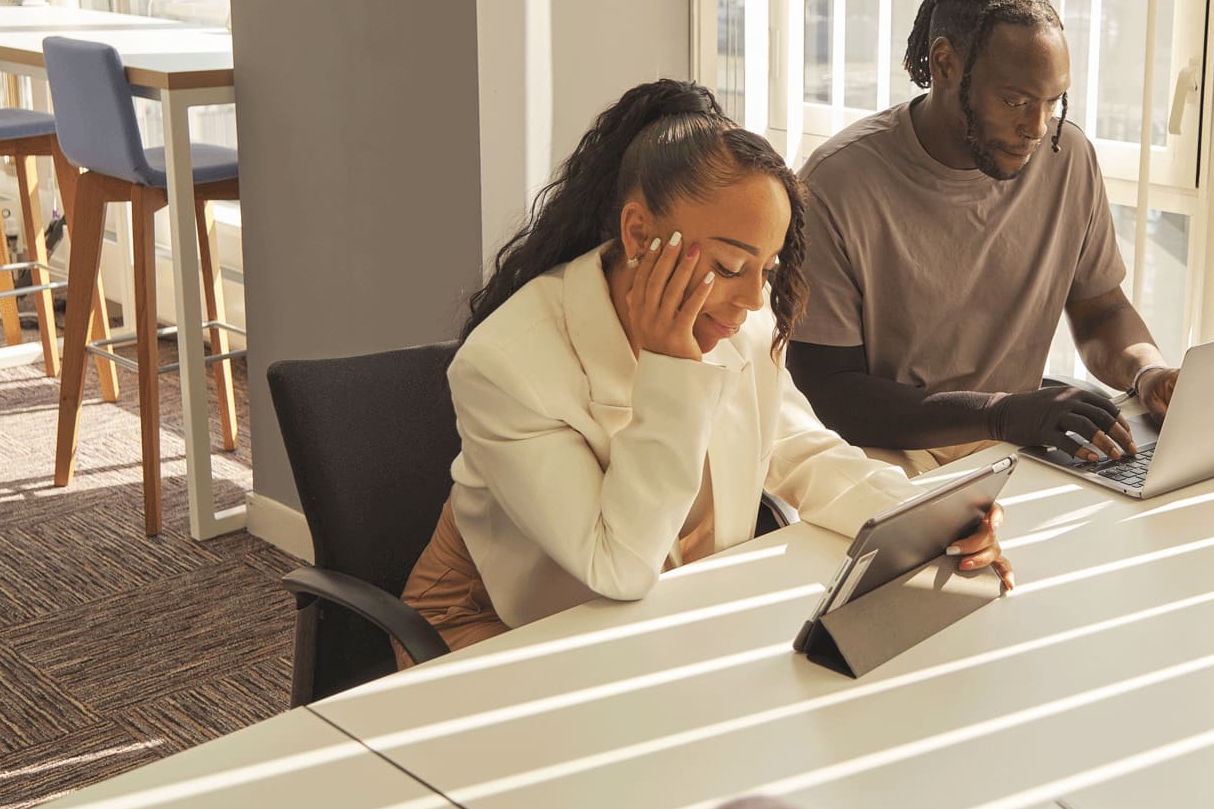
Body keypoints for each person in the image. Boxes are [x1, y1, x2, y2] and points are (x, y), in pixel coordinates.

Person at [396, 80, 1012, 661]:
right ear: (638, 232)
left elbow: (800, 452)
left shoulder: (738, 314)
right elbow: (619, 565)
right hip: (494, 617)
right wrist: (671, 371)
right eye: (728, 265)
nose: (751, 301)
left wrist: (932, 524)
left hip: (651, 615)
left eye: (766, 270)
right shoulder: (507, 365)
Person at [789, 0, 1179, 476]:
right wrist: (1002, 414)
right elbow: (831, 394)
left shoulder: (1068, 157)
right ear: (945, 63)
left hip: (1017, 447)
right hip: (887, 461)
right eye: (1015, 101)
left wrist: (1146, 373)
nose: (1036, 128)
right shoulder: (836, 182)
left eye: (1052, 102)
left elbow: (1100, 311)